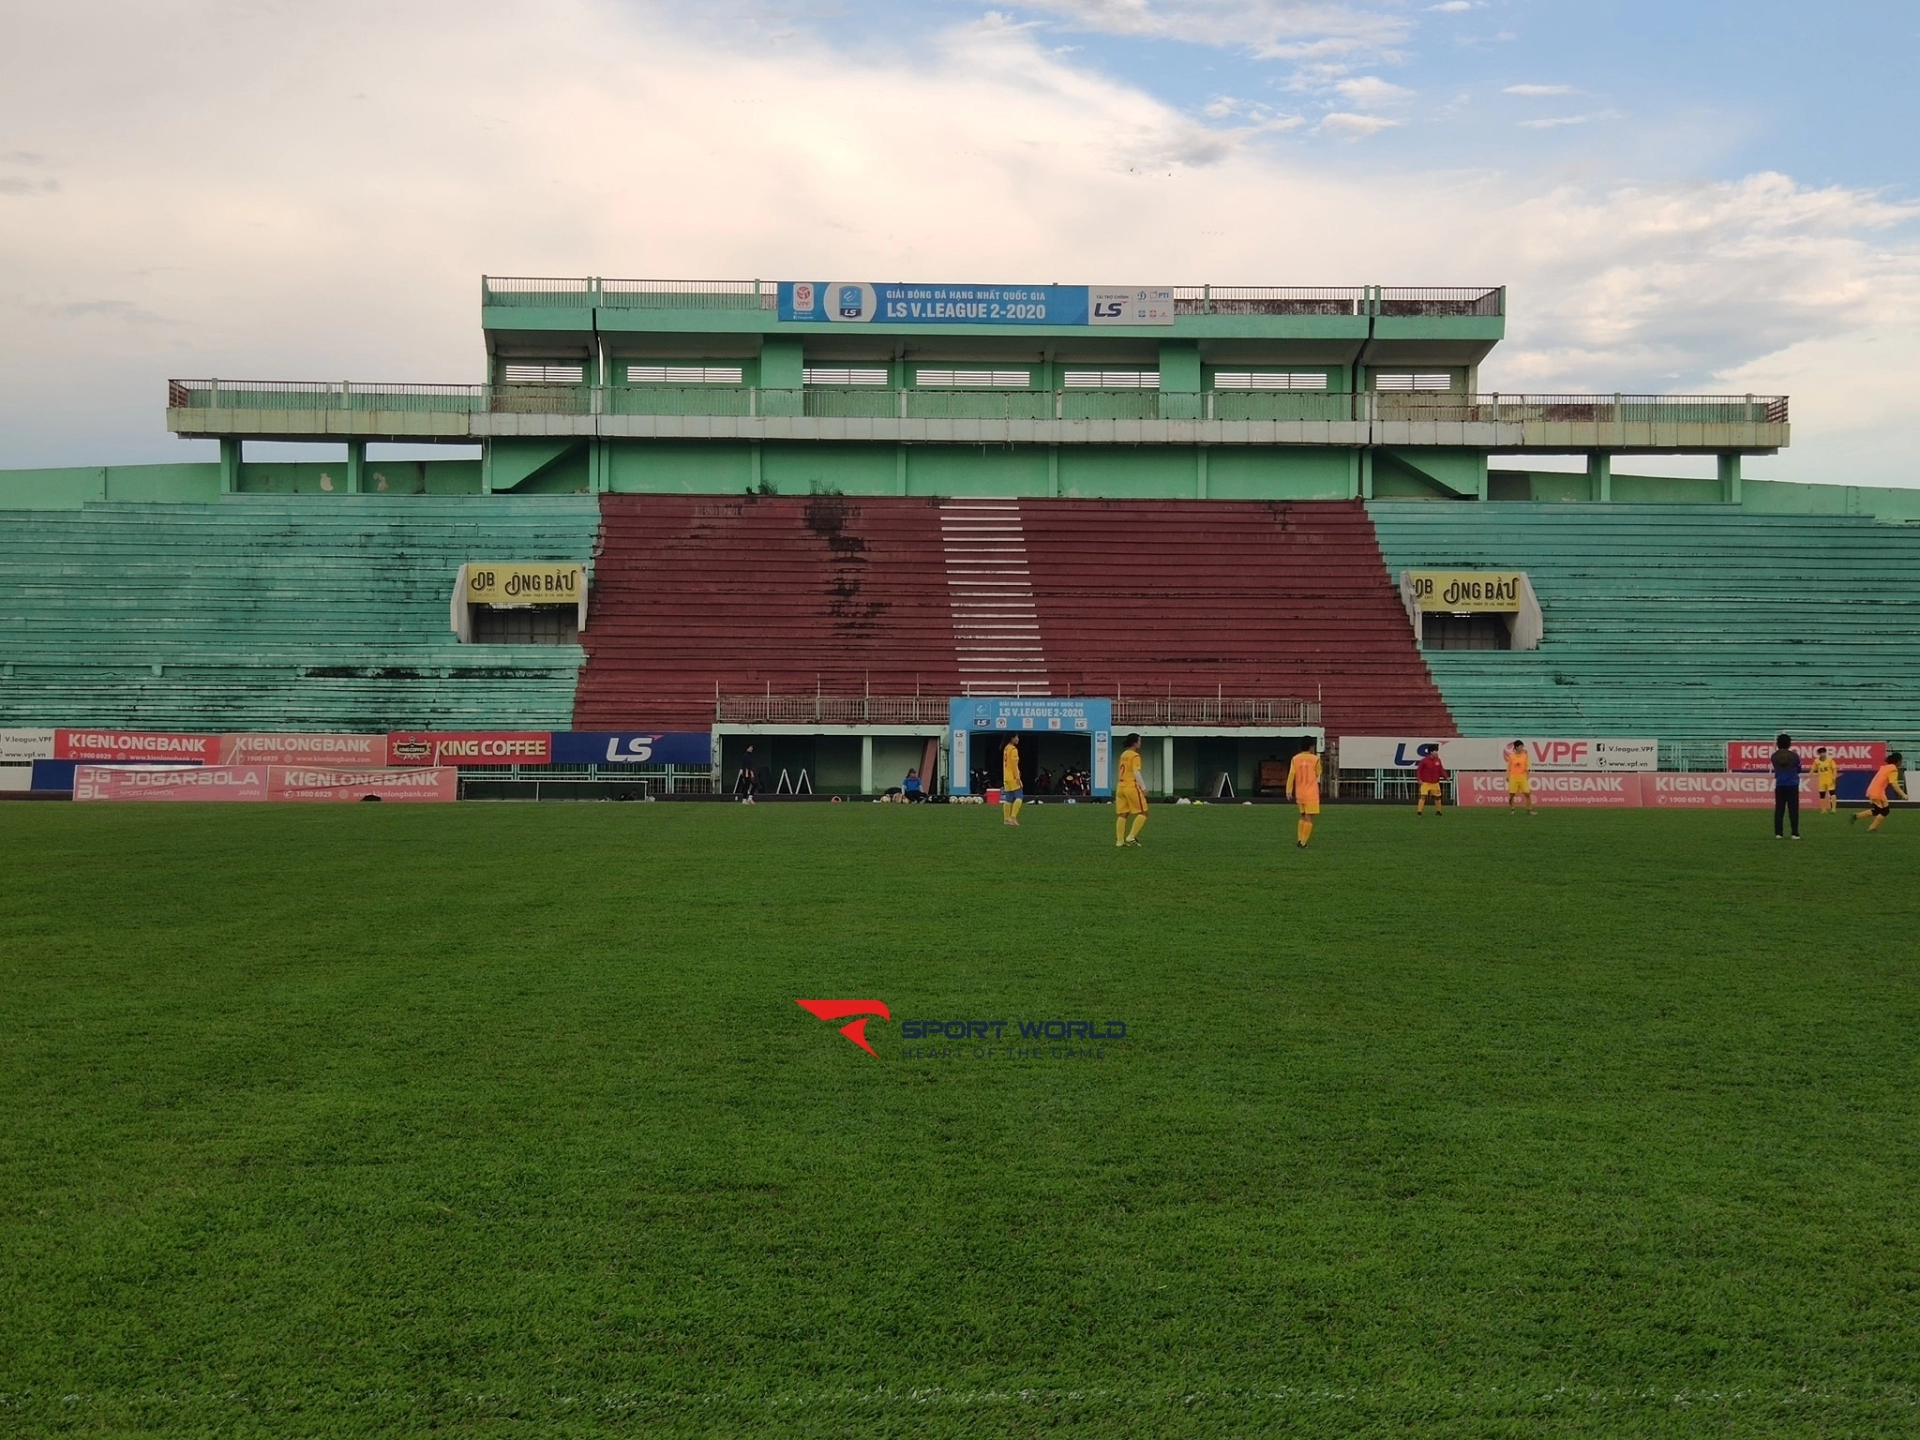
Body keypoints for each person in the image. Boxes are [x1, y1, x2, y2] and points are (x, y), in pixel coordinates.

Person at [1853, 751, 1905, 832]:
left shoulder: (1885, 767)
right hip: (1878, 792)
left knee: (1878, 810)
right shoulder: (1893, 769)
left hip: (1872, 790)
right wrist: (1903, 794)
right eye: (1901, 761)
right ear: (1898, 761)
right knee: (1885, 811)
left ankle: (1856, 816)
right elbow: (1894, 784)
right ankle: (1872, 828)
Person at [1286, 737, 1322, 849]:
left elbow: (1291, 775)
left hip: (1300, 792)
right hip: (1311, 793)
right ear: (1311, 747)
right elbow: (1318, 773)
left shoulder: (1295, 759)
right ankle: (1303, 842)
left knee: (1302, 816)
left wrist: (1288, 790)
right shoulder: (1315, 759)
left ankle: (1300, 839)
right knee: (1309, 818)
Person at [1114, 733, 1148, 847]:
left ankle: (1119, 841)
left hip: (1120, 787)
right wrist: (1143, 788)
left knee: (1123, 814)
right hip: (1131, 787)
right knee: (1143, 812)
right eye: (1139, 741)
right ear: (1134, 742)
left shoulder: (1124, 754)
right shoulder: (1135, 756)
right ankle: (1131, 836)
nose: (1140, 743)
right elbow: (1136, 772)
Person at [1770, 732, 1803, 840]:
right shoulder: (1794, 756)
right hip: (1792, 784)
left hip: (1780, 784)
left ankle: (1778, 833)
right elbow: (1799, 769)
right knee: (1793, 810)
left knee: (1779, 809)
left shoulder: (1774, 756)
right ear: (1789, 744)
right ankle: (1794, 833)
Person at [1414, 746, 1447, 816]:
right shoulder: (1424, 760)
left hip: (1435, 782)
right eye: (1435, 751)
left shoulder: (1438, 760)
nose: (1436, 752)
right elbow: (1419, 770)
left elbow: (1441, 770)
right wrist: (1419, 779)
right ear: (1431, 752)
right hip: (1425, 782)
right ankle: (1419, 811)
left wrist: (1446, 777)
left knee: (1437, 797)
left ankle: (1438, 811)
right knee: (1423, 796)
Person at [1504, 741, 1534, 814]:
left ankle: (1529, 810)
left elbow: (1527, 766)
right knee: (1512, 795)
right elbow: (1509, 767)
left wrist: (1527, 775)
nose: (1522, 748)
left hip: (1522, 777)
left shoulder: (1525, 756)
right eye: (1521, 746)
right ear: (1516, 747)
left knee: (1527, 794)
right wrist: (1507, 776)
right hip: (1514, 777)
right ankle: (1512, 810)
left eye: (1523, 746)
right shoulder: (1511, 756)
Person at [1001, 736, 1024, 826]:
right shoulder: (1013, 749)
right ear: (1012, 738)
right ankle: (1013, 817)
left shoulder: (1006, 748)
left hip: (1006, 776)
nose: (1018, 739)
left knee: (1008, 798)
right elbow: (1014, 764)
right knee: (1019, 796)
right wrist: (1017, 776)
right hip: (1013, 776)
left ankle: (1006, 819)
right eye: (1016, 737)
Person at [1810, 746, 1839, 814]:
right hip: (1822, 780)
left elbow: (1834, 769)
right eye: (1821, 753)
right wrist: (1809, 775)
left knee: (1832, 793)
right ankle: (1824, 810)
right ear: (1819, 754)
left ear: (1825, 753)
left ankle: (1833, 809)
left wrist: (1834, 778)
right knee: (1822, 795)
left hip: (1829, 779)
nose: (1822, 754)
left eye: (1823, 752)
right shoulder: (1816, 761)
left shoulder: (1830, 760)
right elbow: (1813, 769)